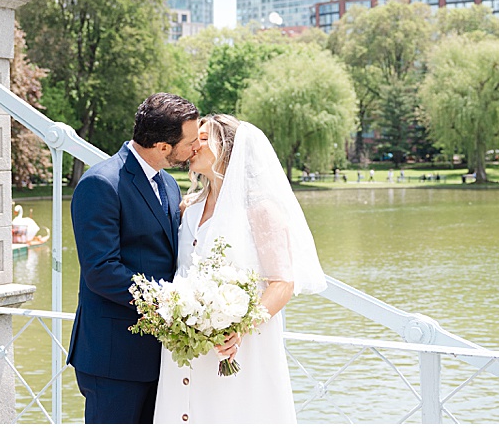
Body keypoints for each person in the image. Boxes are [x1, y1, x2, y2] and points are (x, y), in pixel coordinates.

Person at [153, 114, 326, 424]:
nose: (194, 145)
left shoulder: (260, 209)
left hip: (239, 345)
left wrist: (239, 329)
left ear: (229, 148)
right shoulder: (188, 207)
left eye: (204, 139)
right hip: (188, 343)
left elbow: (282, 283)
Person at [67, 93, 201, 424]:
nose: (196, 147)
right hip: (113, 357)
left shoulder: (170, 185)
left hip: (161, 355)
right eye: (192, 141)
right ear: (163, 147)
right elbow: (102, 271)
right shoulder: (101, 183)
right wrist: (172, 300)